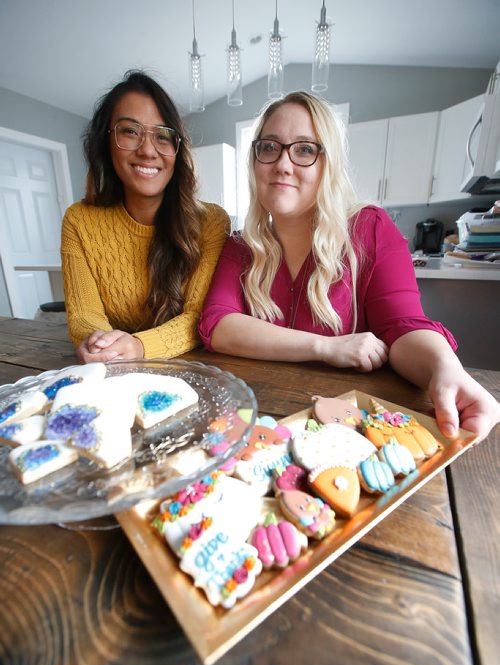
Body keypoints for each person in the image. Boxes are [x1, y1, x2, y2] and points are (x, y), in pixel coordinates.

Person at [199, 91, 500, 441]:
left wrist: (445, 369)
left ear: (329, 165)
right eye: (269, 147)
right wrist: (325, 346)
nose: (283, 164)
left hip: (347, 432)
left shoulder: (370, 229)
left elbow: (402, 326)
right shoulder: (240, 245)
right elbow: (218, 324)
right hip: (257, 424)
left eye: (305, 149)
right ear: (255, 162)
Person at [61, 70, 230, 363]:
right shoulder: (79, 220)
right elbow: (84, 315)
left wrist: (139, 347)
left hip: (195, 371)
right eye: (130, 131)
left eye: (163, 135)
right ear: (106, 140)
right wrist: (103, 345)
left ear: (178, 150)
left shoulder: (212, 221)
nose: (148, 150)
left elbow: (199, 318)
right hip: (114, 372)